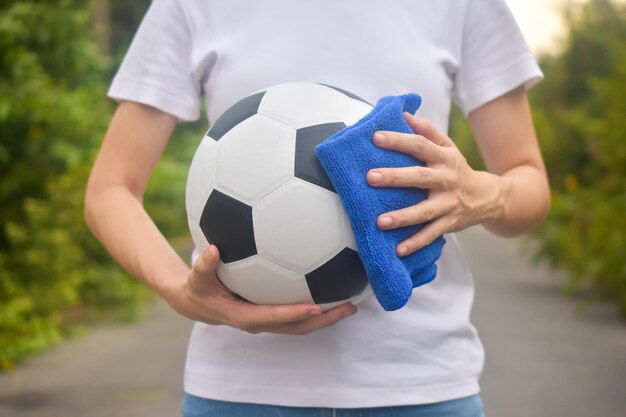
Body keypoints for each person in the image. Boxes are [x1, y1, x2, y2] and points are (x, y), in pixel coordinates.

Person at [84, 1, 550, 416]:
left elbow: (528, 182)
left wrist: (479, 193)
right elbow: (111, 189)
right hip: (242, 390)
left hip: (420, 382)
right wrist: (179, 291)